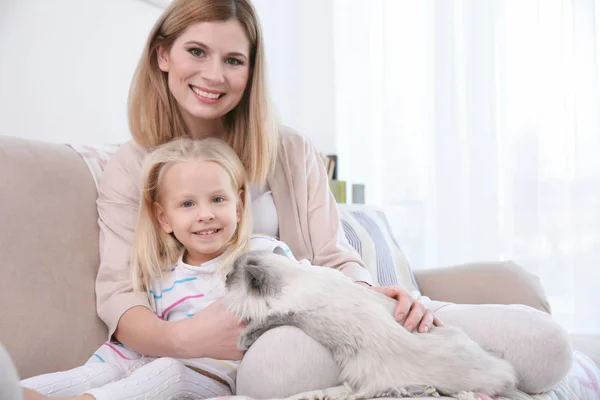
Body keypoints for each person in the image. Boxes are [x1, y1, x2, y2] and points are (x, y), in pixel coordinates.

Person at [23, 0, 573, 398]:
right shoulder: (133, 167)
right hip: (261, 346)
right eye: (197, 51)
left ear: (251, 68)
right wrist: (182, 338)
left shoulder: (290, 151)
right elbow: (121, 298)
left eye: (234, 60)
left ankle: (408, 359)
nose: (214, 75)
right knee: (276, 368)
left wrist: (376, 297)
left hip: (337, 310)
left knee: (542, 344)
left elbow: (333, 257)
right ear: (163, 55)